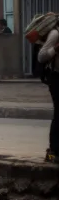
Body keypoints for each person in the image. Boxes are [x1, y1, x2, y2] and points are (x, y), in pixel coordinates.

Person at [38, 24, 59, 163]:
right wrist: (56, 48)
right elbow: (41, 56)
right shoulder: (55, 34)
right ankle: (53, 152)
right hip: (57, 79)